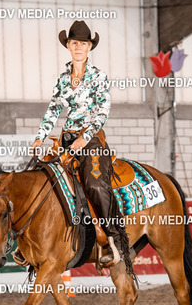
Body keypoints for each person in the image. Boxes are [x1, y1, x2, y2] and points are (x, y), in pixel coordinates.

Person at [31, 20, 132, 274]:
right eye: (74, 42)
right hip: (66, 140)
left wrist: (83, 139)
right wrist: (40, 137)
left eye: (83, 43)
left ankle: (113, 239)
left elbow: (103, 111)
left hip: (92, 140)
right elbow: (53, 110)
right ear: (68, 45)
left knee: (95, 184)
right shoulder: (63, 79)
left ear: (89, 47)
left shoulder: (99, 77)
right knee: (41, 179)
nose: (79, 47)